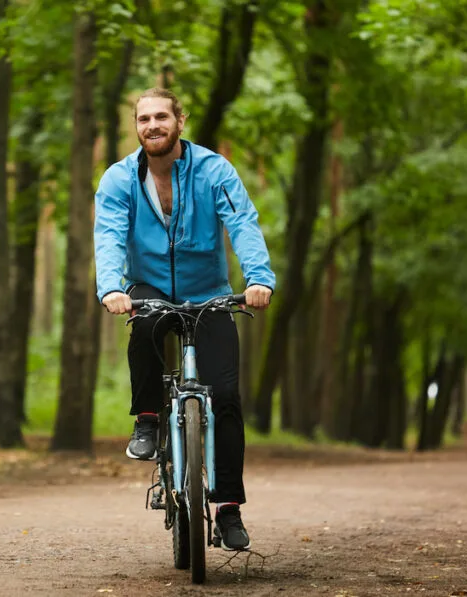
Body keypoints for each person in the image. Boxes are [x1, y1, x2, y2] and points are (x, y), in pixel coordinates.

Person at [94, 88, 275, 551]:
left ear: (180, 121)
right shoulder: (119, 178)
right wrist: (112, 287)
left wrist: (259, 279)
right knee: (147, 325)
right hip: (149, 285)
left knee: (228, 396)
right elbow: (110, 235)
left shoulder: (214, 171)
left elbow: (243, 224)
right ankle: (149, 420)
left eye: (161, 117)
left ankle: (229, 508)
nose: (152, 125)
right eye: (143, 119)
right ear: (136, 127)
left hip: (209, 292)